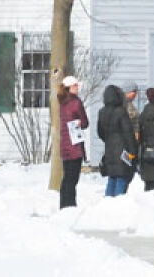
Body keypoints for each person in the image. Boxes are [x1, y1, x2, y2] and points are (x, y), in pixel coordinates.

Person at [98, 83, 137, 196]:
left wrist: (109, 140)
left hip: (109, 150)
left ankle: (107, 202)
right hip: (123, 151)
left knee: (112, 177)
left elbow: (100, 132)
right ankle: (118, 204)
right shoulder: (121, 111)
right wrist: (133, 153)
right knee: (122, 177)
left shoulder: (102, 112)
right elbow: (128, 133)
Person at [56, 75, 89, 209]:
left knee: (66, 178)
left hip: (65, 145)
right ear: (69, 88)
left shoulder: (62, 103)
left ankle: (64, 204)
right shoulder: (76, 102)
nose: (78, 87)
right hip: (75, 146)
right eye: (75, 85)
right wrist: (81, 123)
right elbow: (85, 122)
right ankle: (70, 206)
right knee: (72, 179)